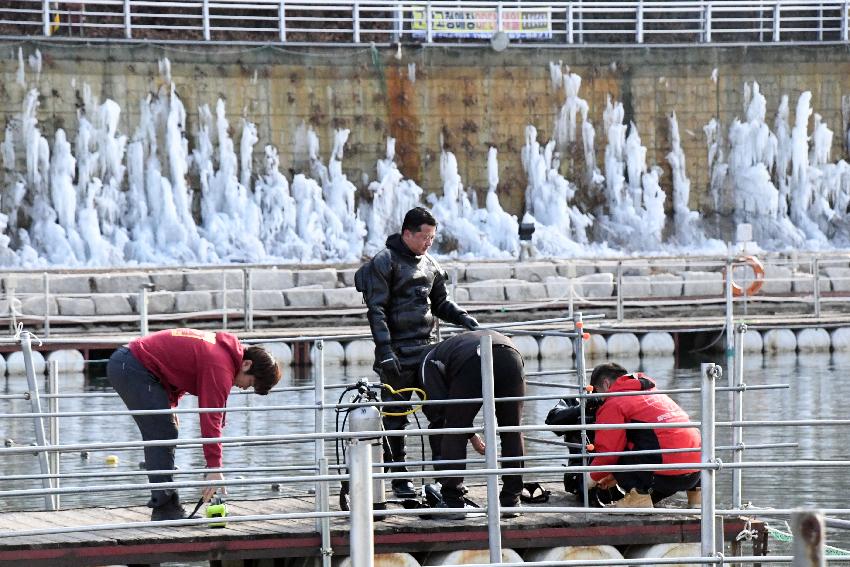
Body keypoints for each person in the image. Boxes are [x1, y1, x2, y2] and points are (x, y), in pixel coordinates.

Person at [354, 206, 479, 499]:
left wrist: (463, 318)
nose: (429, 243)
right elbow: (377, 310)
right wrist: (384, 349)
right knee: (395, 417)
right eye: (425, 237)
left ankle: (445, 478)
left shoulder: (430, 265)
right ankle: (399, 479)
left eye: (433, 238)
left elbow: (440, 304)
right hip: (396, 351)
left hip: (427, 351)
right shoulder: (384, 263)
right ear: (407, 233)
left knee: (440, 411)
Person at [106, 328, 282, 521]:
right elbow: (210, 418)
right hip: (133, 366)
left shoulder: (221, 354)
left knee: (164, 429)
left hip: (131, 363)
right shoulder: (221, 367)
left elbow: (180, 368)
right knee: (161, 433)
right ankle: (165, 509)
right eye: (249, 383)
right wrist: (215, 468)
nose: (243, 387)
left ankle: (167, 505)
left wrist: (171, 404)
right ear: (247, 364)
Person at [419, 330, 525, 518]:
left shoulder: (428, 361)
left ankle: (453, 501)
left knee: (454, 430)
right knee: (512, 429)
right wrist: (474, 436)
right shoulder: (453, 346)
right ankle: (512, 500)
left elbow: (441, 412)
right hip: (511, 354)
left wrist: (468, 434)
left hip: (473, 359)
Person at [587, 362, 701, 508]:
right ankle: (697, 497)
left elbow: (609, 454)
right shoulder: (655, 394)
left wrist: (589, 478)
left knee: (617, 446)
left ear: (606, 384)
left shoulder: (614, 402)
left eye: (597, 393)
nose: (599, 400)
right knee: (678, 438)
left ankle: (639, 498)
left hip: (663, 476)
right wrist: (615, 476)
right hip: (696, 472)